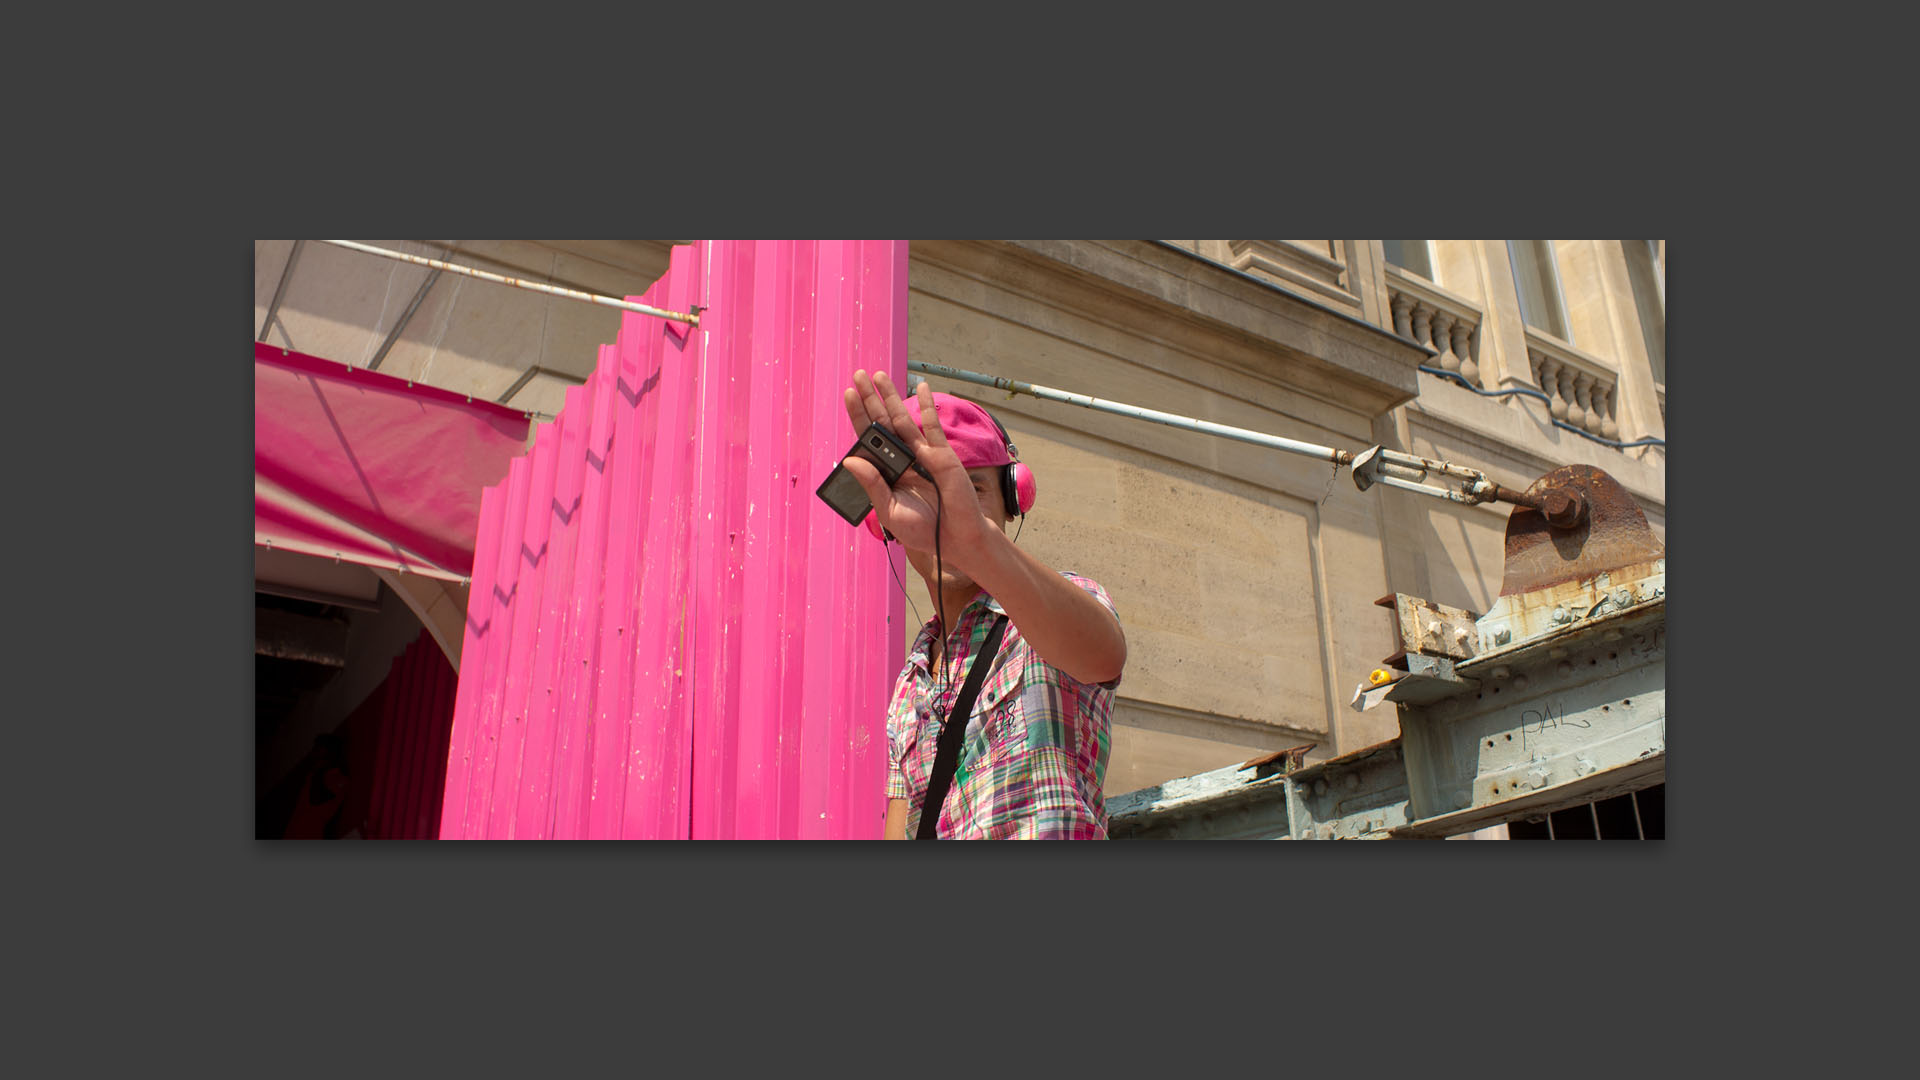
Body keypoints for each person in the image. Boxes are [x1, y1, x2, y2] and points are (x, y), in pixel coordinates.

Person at [838, 369, 1128, 839]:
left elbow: (1103, 652)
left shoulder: (1050, 610)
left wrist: (977, 546)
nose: (948, 512)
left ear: (1014, 500)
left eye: (972, 492)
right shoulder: (908, 690)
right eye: (922, 492)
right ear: (886, 524)